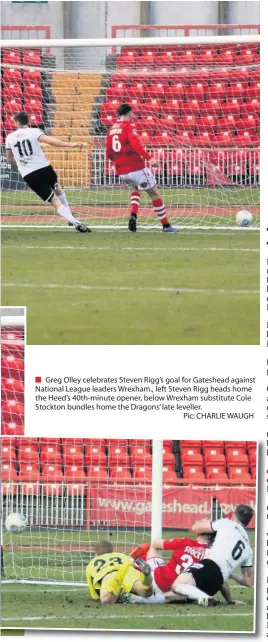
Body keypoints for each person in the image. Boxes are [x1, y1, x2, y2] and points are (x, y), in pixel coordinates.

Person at [5, 111, 90, 233]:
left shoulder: (9, 137)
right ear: (28, 121)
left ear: (16, 122)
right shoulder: (34, 131)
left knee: (54, 201)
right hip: (44, 168)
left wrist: (20, 161)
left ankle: (74, 222)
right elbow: (49, 141)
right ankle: (71, 217)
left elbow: (9, 159)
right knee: (58, 189)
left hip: (29, 174)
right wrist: (70, 145)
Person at [106, 103, 178, 233]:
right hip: (136, 167)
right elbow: (135, 144)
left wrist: (119, 162)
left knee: (135, 188)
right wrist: (149, 157)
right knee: (154, 193)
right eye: (132, 113)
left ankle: (133, 215)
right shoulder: (129, 126)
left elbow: (108, 153)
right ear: (129, 113)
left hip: (122, 171)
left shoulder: (111, 129)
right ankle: (166, 225)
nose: (133, 115)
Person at [171, 504, 254, 606]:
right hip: (218, 582)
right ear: (248, 523)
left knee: (177, 585)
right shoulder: (248, 549)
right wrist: (232, 575)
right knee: (173, 596)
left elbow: (195, 527)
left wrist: (205, 522)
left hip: (209, 566)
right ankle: (204, 597)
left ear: (233, 515)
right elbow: (249, 582)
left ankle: (205, 598)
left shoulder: (226, 523)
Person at [85, 540, 153, 604]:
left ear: (96, 553)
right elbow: (133, 566)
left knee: (106, 599)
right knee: (145, 591)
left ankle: (117, 594)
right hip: (127, 572)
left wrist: (96, 597)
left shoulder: (92, 563)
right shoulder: (122, 555)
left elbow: (93, 589)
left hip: (109, 576)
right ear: (112, 550)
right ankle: (146, 578)